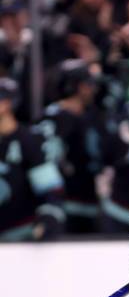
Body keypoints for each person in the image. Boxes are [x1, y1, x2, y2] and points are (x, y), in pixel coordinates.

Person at [38, 59, 105, 233]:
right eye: (88, 84)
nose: (92, 89)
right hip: (63, 205)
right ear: (75, 86)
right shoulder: (54, 118)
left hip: (88, 203)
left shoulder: (91, 115)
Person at [0, 77, 65, 241]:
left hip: (20, 235)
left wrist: (47, 219)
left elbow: (50, 188)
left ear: (6, 104)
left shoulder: (28, 140)